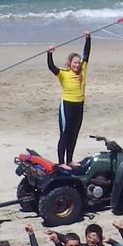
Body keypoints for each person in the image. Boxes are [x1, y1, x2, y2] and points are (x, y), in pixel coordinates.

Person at [46, 33, 91, 164]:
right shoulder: (63, 74)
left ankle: (69, 160)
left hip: (79, 106)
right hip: (67, 106)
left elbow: (86, 54)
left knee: (74, 135)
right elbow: (51, 67)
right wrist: (49, 54)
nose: (77, 65)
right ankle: (61, 162)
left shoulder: (83, 70)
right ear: (70, 63)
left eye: (78, 62)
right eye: (74, 63)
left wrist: (88, 39)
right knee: (65, 135)